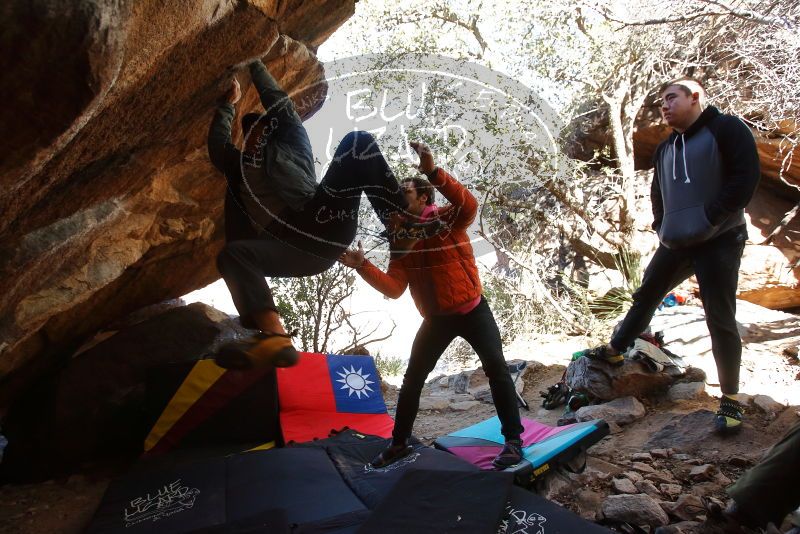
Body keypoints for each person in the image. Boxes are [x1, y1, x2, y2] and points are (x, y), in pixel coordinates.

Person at [207, 59, 443, 370]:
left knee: (357, 142)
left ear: (271, 133)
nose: (254, 138)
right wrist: (227, 107)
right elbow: (218, 144)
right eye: (249, 133)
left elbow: (278, 102)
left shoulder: (292, 142)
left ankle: (399, 223)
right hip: (290, 247)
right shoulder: (237, 168)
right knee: (232, 256)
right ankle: (276, 340)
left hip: (319, 219)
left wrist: (254, 61)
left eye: (260, 131)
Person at [580, 77, 760, 433]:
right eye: (662, 100)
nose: (664, 105)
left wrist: (710, 219)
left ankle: (730, 400)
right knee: (646, 293)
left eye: (671, 97)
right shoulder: (665, 148)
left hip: (720, 239)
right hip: (676, 242)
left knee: (720, 317)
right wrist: (663, 227)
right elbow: (658, 193)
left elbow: (745, 178)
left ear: (695, 97)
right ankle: (616, 349)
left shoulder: (726, 129)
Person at [339, 142, 525, 469]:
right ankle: (399, 444)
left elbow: (468, 204)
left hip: (473, 311)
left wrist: (433, 171)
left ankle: (513, 441)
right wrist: (363, 266)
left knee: (496, 369)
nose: (398, 199)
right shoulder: (400, 239)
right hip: (437, 320)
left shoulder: (446, 220)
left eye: (406, 193)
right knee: (412, 380)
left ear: (424, 197)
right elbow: (394, 288)